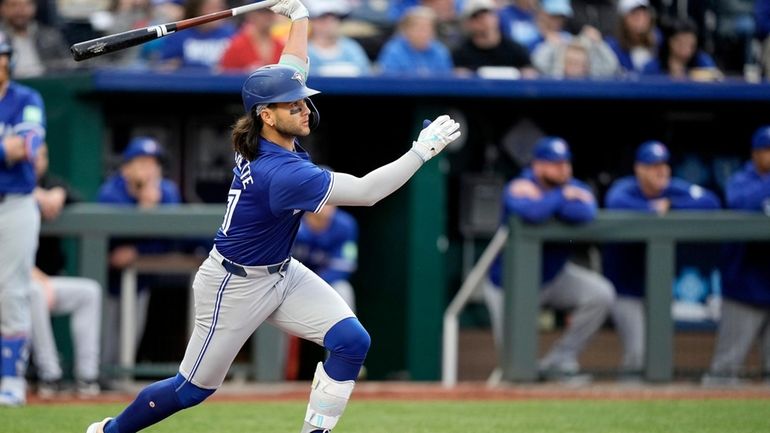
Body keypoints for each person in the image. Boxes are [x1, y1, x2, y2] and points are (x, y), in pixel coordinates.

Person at [84, 1, 460, 432]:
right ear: (266, 115)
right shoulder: (280, 172)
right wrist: (420, 151)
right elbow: (369, 192)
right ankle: (110, 431)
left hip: (281, 271)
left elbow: (293, 63)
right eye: (293, 105)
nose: (304, 109)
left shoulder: (269, 132)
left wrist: (298, 18)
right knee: (192, 389)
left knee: (351, 340)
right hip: (233, 284)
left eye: (303, 101)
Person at [484, 137, 615, 382]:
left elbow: (586, 212)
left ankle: (560, 360)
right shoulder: (518, 186)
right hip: (509, 286)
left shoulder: (571, 186)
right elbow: (532, 213)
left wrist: (551, 196)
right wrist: (562, 196)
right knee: (515, 364)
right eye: (555, 164)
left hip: (553, 278)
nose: (564, 169)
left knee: (600, 294)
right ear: (538, 166)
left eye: (565, 163)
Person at [603, 141, 721, 378]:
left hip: (657, 288)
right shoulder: (625, 189)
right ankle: (627, 397)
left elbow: (711, 201)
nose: (661, 171)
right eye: (653, 166)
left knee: (659, 352)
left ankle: (648, 399)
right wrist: (651, 208)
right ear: (639, 169)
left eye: (664, 165)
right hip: (625, 289)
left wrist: (671, 206)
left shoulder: (672, 189)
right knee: (637, 354)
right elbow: (614, 202)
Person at [96, 136, 182, 368]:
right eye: (142, 162)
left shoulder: (167, 191)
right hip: (106, 280)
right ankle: (97, 382)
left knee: (128, 343)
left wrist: (137, 249)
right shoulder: (111, 191)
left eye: (154, 163)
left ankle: (119, 380)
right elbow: (110, 240)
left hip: (143, 280)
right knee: (104, 344)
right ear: (125, 168)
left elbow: (174, 239)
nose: (149, 169)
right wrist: (143, 208)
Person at [27, 143, 103, 399]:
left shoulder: (52, 183)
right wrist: (31, 193)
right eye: (32, 154)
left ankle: (87, 377)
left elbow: (77, 198)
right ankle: (49, 375)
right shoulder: (8, 188)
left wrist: (59, 193)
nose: (38, 160)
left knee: (89, 292)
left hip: (46, 280)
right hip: (14, 281)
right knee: (35, 292)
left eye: (43, 155)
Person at [702, 126, 770, 385]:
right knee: (724, 372)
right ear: (756, 154)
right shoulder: (740, 180)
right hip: (744, 288)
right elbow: (739, 203)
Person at [0, 29, 46, 407]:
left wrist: (11, 149)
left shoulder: (26, 97)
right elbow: (9, 149)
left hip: (14, 203)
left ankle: (11, 376)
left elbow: (28, 146)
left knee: (12, 290)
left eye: (2, 56)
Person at [293, 204, 358, 311]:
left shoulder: (345, 225)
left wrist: (312, 285)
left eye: (331, 201)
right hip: (290, 280)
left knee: (343, 289)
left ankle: (343, 328)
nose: (328, 205)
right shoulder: (292, 219)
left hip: (323, 282)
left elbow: (344, 266)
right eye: (324, 201)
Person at [452, 0, 535, 77]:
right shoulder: (461, 54)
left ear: (496, 17)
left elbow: (531, 74)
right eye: (476, 17)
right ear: (468, 23)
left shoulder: (516, 50)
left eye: (487, 14)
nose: (483, 20)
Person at [0, 0, 75, 77]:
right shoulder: (1, 38)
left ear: (34, 7)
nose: (20, 11)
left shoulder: (50, 36)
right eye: (14, 5)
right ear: (2, 8)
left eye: (26, 5)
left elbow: (69, 66)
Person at [158, 0, 237, 71]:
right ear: (197, 10)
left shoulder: (230, 34)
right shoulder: (179, 35)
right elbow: (167, 66)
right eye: (211, 8)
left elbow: (236, 66)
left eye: (220, 8)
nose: (217, 13)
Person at [376, 5, 454, 75]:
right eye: (420, 28)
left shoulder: (439, 50)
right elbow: (389, 82)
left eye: (428, 29)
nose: (424, 33)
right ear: (406, 30)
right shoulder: (394, 51)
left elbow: (446, 79)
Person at [305, 0, 371, 77]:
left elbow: (365, 74)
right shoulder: (304, 51)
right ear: (312, 21)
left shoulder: (352, 48)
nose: (329, 24)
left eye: (334, 19)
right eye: (323, 19)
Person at [641, 18, 720, 80]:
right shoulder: (653, 66)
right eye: (681, 41)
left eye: (690, 43)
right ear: (670, 42)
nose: (686, 46)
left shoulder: (702, 61)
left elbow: (717, 79)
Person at [219, 3, 284, 72]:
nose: (268, 17)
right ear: (251, 15)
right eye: (262, 13)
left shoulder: (281, 46)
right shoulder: (236, 45)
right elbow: (225, 76)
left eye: (271, 12)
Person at [604, 0, 660, 74]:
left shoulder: (659, 43)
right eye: (635, 14)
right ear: (624, 19)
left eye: (644, 13)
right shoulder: (611, 47)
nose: (641, 18)